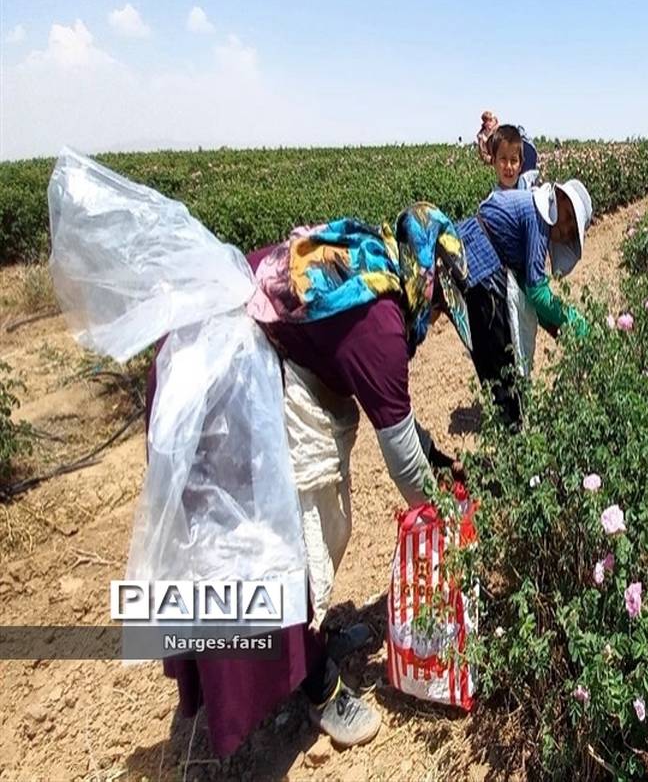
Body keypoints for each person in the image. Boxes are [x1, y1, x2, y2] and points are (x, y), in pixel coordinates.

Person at [154, 205, 472, 756]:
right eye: (443, 303)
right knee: (282, 542)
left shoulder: (374, 270)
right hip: (222, 383)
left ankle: (308, 642)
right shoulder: (380, 325)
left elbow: (394, 414)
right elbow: (402, 462)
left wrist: (440, 459)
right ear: (428, 277)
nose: (439, 316)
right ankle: (319, 685)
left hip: (232, 353)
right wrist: (446, 512)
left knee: (307, 529)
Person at [454, 181, 592, 425]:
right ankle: (513, 434)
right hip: (482, 268)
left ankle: (508, 424)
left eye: (571, 229)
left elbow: (529, 287)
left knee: (492, 360)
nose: (566, 227)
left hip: (472, 258)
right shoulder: (537, 219)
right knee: (501, 360)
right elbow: (537, 293)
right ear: (558, 195)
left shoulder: (533, 209)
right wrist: (572, 319)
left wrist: (557, 328)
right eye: (569, 216)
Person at [488, 124, 540, 191]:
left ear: (521, 164)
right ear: (494, 161)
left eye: (513, 160)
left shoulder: (531, 196)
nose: (508, 166)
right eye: (503, 159)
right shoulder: (492, 200)